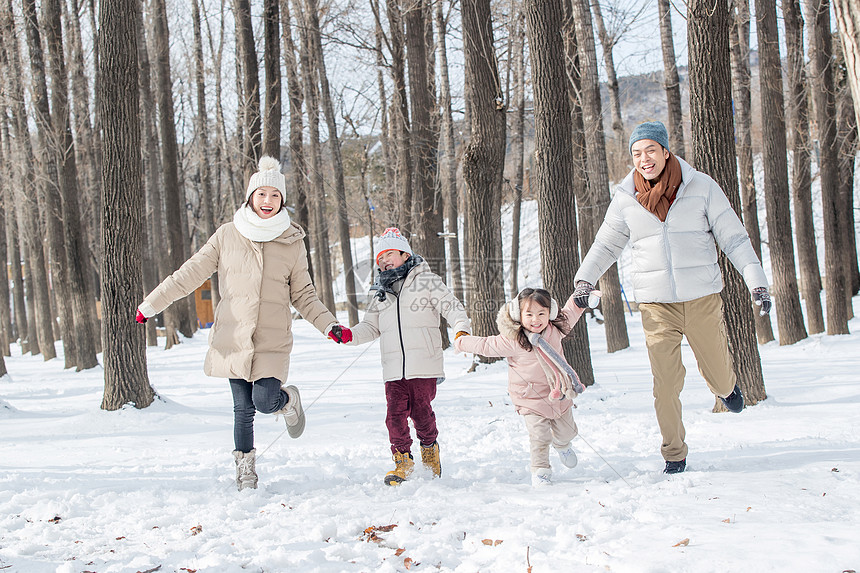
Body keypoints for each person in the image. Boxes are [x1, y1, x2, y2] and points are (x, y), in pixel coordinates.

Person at [572, 121, 772, 474]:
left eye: (650, 150)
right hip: (655, 306)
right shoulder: (625, 199)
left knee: (719, 372)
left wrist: (756, 281)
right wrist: (584, 280)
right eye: (636, 153)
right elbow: (606, 245)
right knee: (665, 384)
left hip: (701, 300)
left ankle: (726, 389)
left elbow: (734, 239)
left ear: (666, 151)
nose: (644, 159)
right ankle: (674, 453)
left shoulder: (701, 187)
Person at [135, 156, 346, 490]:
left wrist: (330, 325)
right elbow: (189, 274)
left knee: (264, 403)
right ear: (250, 197)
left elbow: (304, 294)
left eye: (275, 196)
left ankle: (288, 401)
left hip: (272, 340)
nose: (267, 201)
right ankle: (245, 468)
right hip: (233, 337)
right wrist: (151, 304)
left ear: (282, 201)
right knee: (242, 409)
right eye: (261, 194)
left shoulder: (292, 242)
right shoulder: (227, 236)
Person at [329, 228, 470, 486]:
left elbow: (452, 307)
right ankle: (402, 461)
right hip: (393, 368)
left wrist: (461, 329)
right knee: (394, 416)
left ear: (405, 255)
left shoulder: (427, 280)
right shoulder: (380, 291)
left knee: (422, 413)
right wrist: (349, 335)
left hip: (424, 364)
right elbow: (371, 327)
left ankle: (430, 453)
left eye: (389, 254)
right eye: (380, 258)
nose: (383, 261)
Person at [454, 288, 589, 486]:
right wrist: (462, 342)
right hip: (530, 398)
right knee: (539, 436)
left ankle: (562, 445)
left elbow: (571, 311)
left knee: (567, 431)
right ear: (519, 315)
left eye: (541, 313)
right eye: (529, 314)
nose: (536, 319)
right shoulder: (513, 339)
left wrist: (580, 299)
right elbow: (485, 345)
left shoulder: (555, 330)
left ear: (550, 313)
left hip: (559, 392)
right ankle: (541, 470)